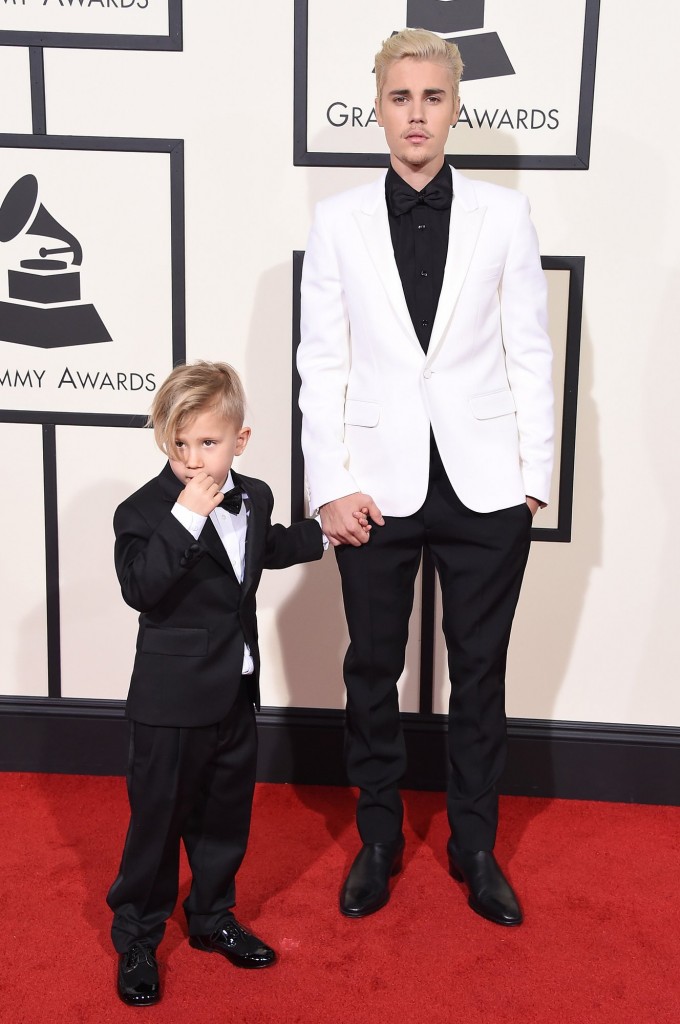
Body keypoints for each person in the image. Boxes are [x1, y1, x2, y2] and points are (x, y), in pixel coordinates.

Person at [297, 28, 553, 927]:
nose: (417, 114)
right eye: (401, 98)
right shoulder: (336, 220)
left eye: (432, 97)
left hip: (486, 487)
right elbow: (320, 363)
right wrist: (327, 483)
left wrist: (535, 481)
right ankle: (377, 840)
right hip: (373, 484)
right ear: (378, 107)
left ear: (455, 105)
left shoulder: (504, 215)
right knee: (373, 668)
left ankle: (475, 846)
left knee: (479, 674)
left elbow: (531, 350)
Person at [107, 360, 323, 1005]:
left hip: (236, 688)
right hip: (169, 703)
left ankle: (211, 917)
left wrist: (325, 535)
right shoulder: (142, 511)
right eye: (179, 443)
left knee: (225, 815)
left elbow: (258, 552)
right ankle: (138, 934)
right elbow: (141, 588)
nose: (194, 459)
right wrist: (185, 519)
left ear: (240, 440)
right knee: (158, 820)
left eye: (208, 442)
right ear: (162, 439)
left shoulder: (254, 494)